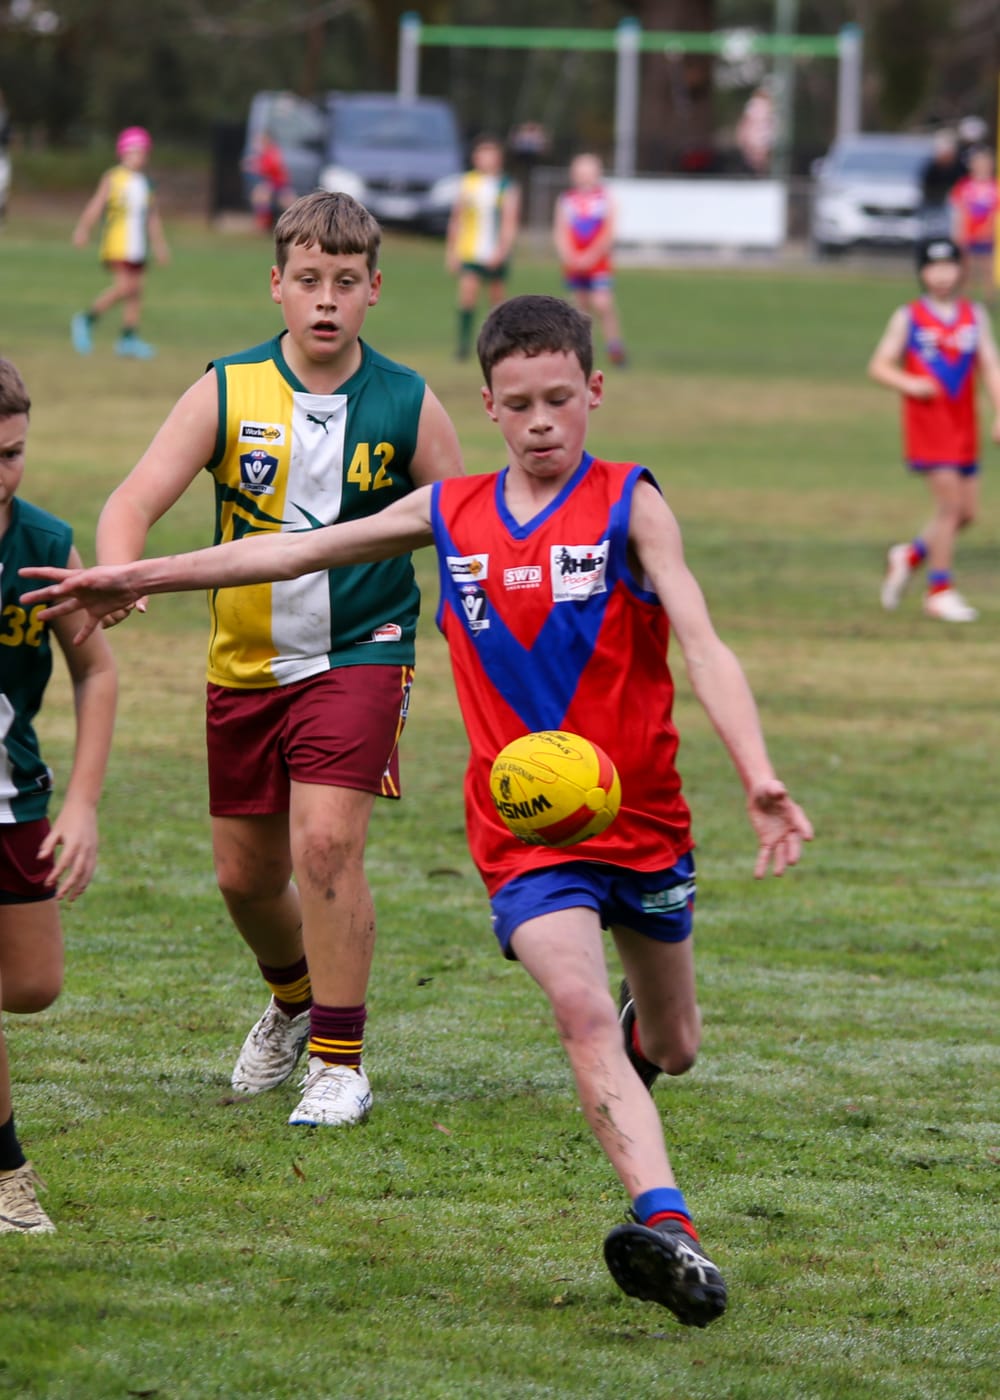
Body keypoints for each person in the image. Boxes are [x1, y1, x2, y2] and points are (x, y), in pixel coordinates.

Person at [23, 294, 812, 1324]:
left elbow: (703, 639)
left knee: (672, 1039)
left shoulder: (630, 502)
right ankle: (670, 1229)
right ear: (486, 405)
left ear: (594, 393)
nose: (541, 422)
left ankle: (646, 1046)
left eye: (560, 400)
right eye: (519, 403)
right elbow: (289, 550)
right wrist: (141, 571)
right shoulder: (451, 514)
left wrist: (755, 770)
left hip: (644, 817)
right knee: (575, 1009)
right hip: (525, 831)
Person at [66, 190, 462, 1129]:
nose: (327, 300)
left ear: (375, 291)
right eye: (309, 281)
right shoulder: (225, 390)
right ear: (276, 286)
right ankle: (290, 999)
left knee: (325, 844)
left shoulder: (409, 401)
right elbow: (132, 498)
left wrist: (479, 627)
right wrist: (120, 572)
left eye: (347, 283)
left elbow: (466, 527)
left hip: (363, 653)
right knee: (245, 879)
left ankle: (339, 1058)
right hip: (244, 664)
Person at [0, 359, 117, 1234]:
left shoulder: (42, 546)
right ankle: (9, 1172)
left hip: (14, 791)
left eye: (11, 455)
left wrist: (80, 801)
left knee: (33, 985)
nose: (2, 476)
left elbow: (97, 671)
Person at [869, 236, 1000, 623]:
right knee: (948, 508)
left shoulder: (974, 315)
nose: (941, 275)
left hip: (964, 426)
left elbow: (990, 365)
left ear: (961, 269)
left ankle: (907, 556)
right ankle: (939, 591)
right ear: (921, 272)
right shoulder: (908, 316)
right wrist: (909, 383)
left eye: (949, 266)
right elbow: (879, 365)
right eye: (933, 267)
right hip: (929, 425)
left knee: (966, 514)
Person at [70, 126, 170, 360]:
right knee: (124, 288)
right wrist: (83, 229)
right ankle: (86, 319)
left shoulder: (146, 184)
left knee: (136, 292)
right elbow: (97, 204)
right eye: (135, 151)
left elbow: (152, 217)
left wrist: (159, 245)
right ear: (123, 152)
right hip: (117, 243)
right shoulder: (113, 177)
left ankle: (128, 338)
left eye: (143, 152)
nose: (140, 157)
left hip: (138, 245)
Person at [445, 135, 521, 361]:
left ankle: (499, 343)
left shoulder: (506, 185)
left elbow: (509, 220)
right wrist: (452, 250)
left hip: (494, 251)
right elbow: (457, 218)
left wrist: (502, 250)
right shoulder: (468, 183)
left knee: (497, 301)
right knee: (467, 295)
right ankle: (464, 345)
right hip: (471, 250)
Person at [553, 153, 627, 368]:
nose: (584, 176)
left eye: (589, 171)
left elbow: (608, 232)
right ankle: (584, 352)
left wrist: (591, 256)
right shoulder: (567, 200)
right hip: (574, 262)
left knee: (603, 304)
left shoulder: (605, 199)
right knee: (579, 308)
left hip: (598, 263)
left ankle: (615, 349)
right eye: (580, 172)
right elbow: (561, 231)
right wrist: (569, 255)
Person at [949, 146, 999, 303]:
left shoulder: (994, 187)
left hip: (986, 234)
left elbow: (994, 212)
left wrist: (988, 229)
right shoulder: (964, 186)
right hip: (967, 232)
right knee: (966, 268)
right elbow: (959, 210)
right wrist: (959, 231)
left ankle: (989, 299)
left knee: (986, 268)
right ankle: (964, 299)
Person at [242, 131, 296, 234]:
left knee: (289, 204)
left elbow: (272, 166)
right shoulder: (264, 153)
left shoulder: (273, 151)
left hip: (280, 183)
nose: (256, 145)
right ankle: (263, 224)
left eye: (258, 142)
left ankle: (293, 225)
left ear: (266, 141)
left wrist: (254, 166)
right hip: (272, 183)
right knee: (259, 196)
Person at [917, 130, 966, 240]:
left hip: (951, 205)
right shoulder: (931, 167)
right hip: (933, 202)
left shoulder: (959, 167)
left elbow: (962, 185)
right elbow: (925, 185)